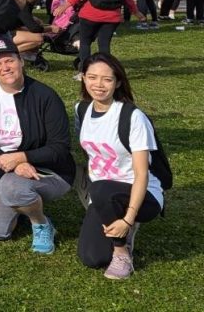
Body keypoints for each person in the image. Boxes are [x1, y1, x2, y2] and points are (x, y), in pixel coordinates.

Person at [0, 38, 75, 253]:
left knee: (12, 187)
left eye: (9, 61)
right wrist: (12, 163)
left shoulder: (45, 96)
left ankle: (40, 222)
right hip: (0, 169)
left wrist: (23, 157)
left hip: (47, 169)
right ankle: (24, 205)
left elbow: (60, 146)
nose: (4, 68)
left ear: (21, 61)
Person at [75, 53, 164, 280]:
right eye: (92, 77)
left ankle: (121, 251)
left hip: (142, 195)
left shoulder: (133, 117)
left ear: (118, 82)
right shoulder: (81, 110)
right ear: (83, 78)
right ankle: (115, 224)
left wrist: (128, 219)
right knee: (91, 257)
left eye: (107, 79)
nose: (99, 85)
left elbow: (142, 173)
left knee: (101, 188)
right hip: (103, 193)